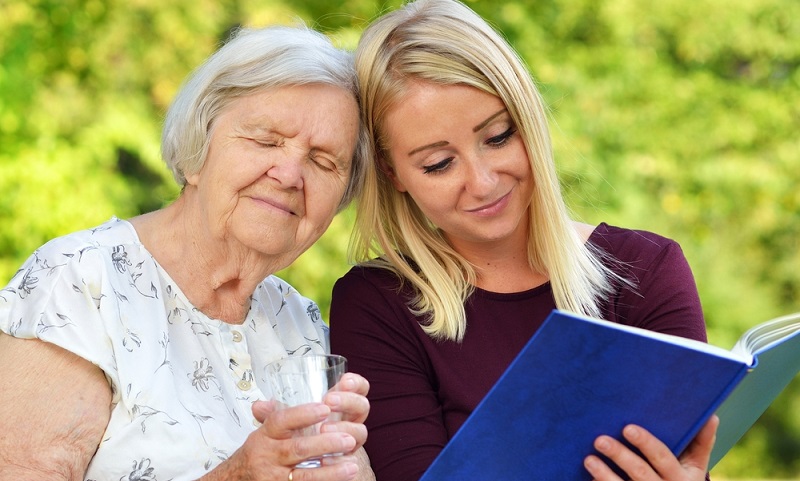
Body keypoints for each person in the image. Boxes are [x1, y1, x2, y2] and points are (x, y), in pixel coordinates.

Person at [329, 0, 718, 480]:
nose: (484, 181)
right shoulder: (375, 305)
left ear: (528, 120)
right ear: (393, 173)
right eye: (438, 163)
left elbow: (686, 461)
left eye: (497, 137)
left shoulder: (647, 270)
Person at [0, 24, 375, 481]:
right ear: (200, 146)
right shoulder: (80, 284)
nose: (290, 173)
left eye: (323, 161)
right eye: (266, 140)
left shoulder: (301, 325)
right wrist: (237, 476)